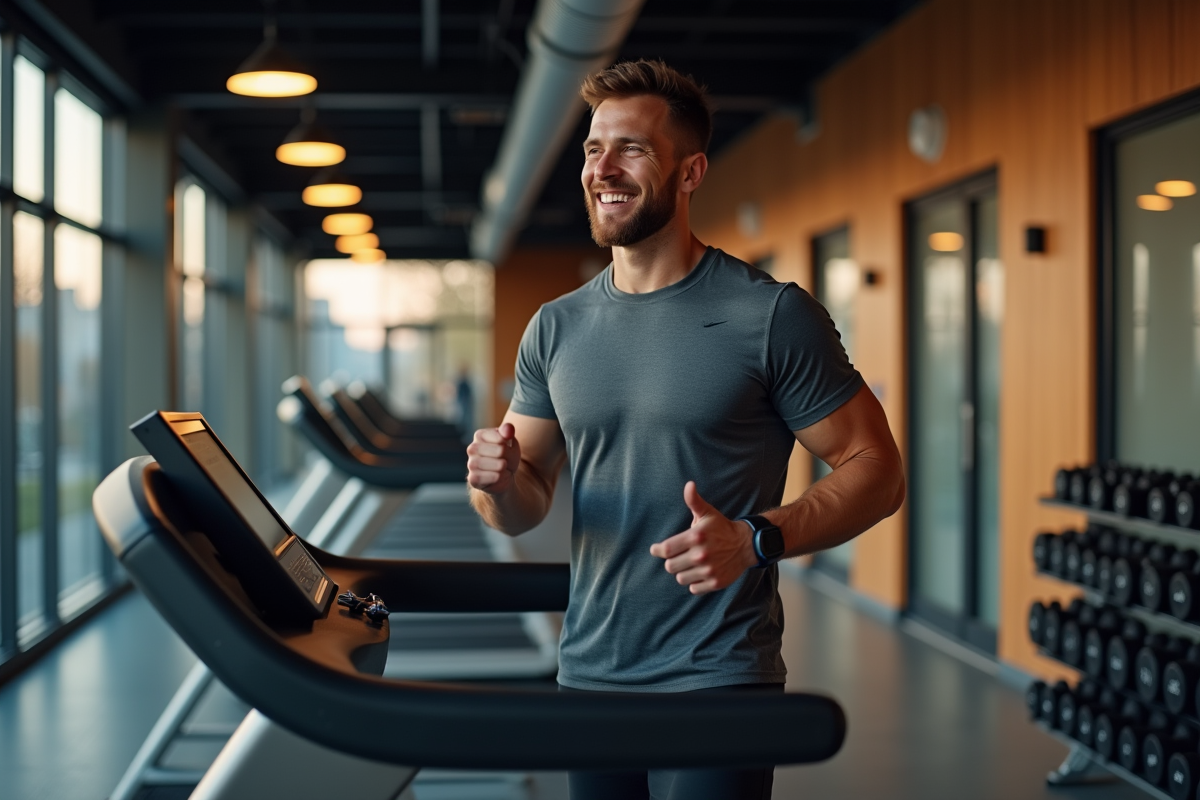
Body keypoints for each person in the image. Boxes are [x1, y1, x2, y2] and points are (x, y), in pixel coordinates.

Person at [467, 60, 904, 800]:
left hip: (719, 675)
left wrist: (757, 537)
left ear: (691, 172)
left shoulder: (770, 315)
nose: (603, 169)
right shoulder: (555, 326)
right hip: (591, 672)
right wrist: (499, 484)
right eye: (593, 149)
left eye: (631, 148)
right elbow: (520, 504)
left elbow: (878, 469)